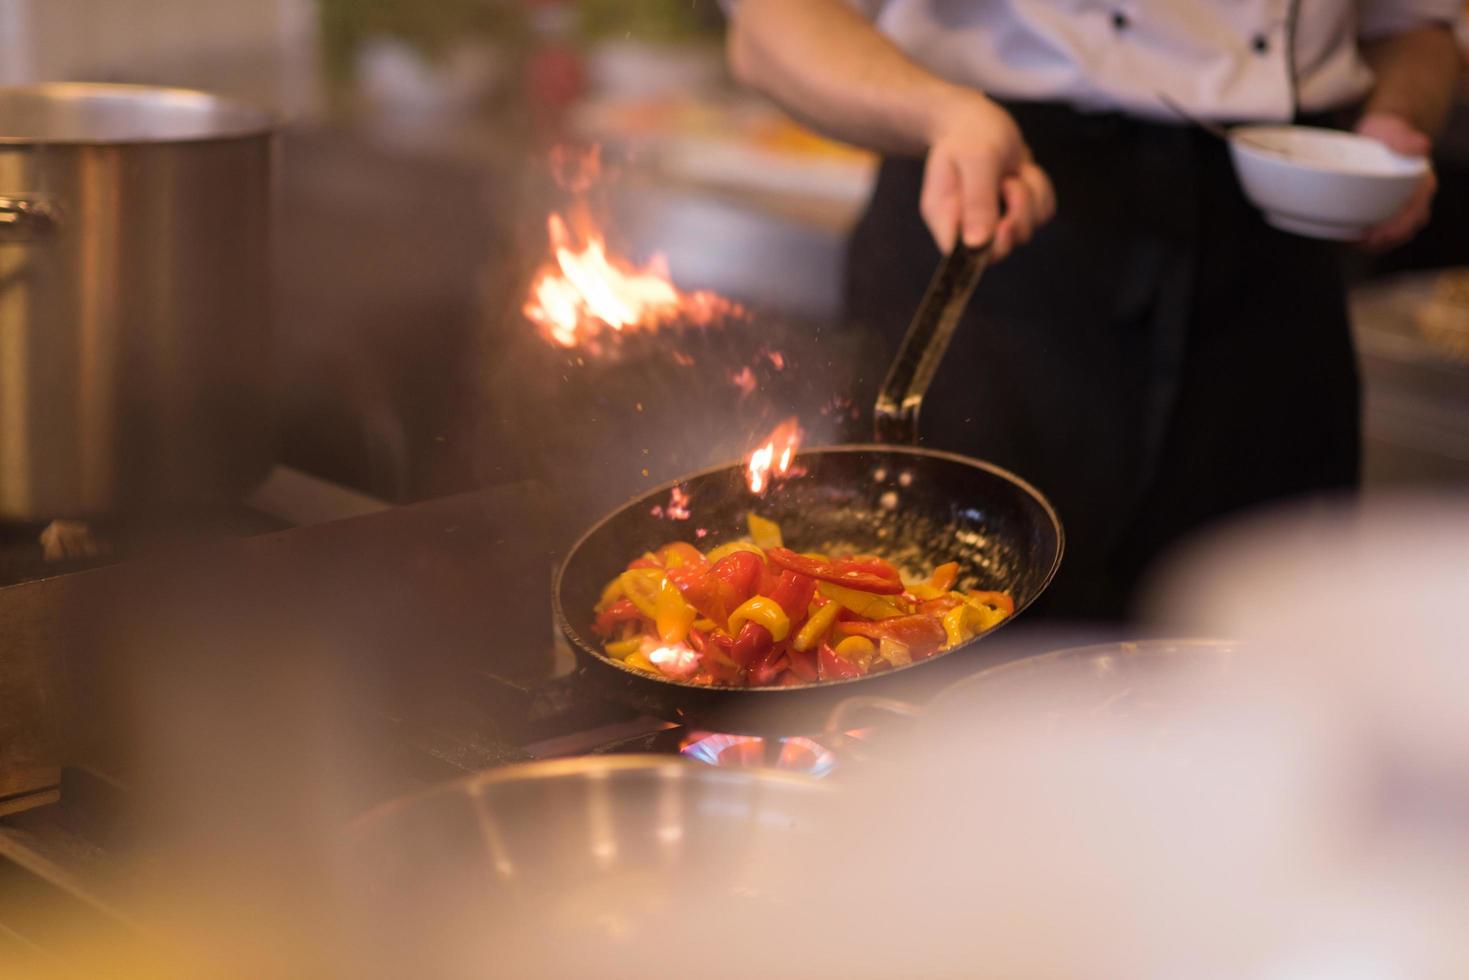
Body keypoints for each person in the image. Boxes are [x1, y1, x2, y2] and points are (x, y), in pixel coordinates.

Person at [722, 0, 1463, 619]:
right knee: (944, 670)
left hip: (1275, 255)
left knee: (1269, 664)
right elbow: (768, 26)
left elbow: (1418, 23)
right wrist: (941, 115)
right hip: (989, 197)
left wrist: (1394, 125)